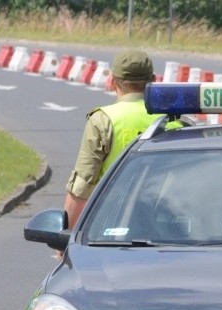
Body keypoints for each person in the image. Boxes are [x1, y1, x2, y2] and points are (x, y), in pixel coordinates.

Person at [62, 49, 162, 229]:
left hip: (112, 230)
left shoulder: (103, 119)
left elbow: (82, 185)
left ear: (112, 81)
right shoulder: (175, 119)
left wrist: (65, 235)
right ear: (153, 80)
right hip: (165, 227)